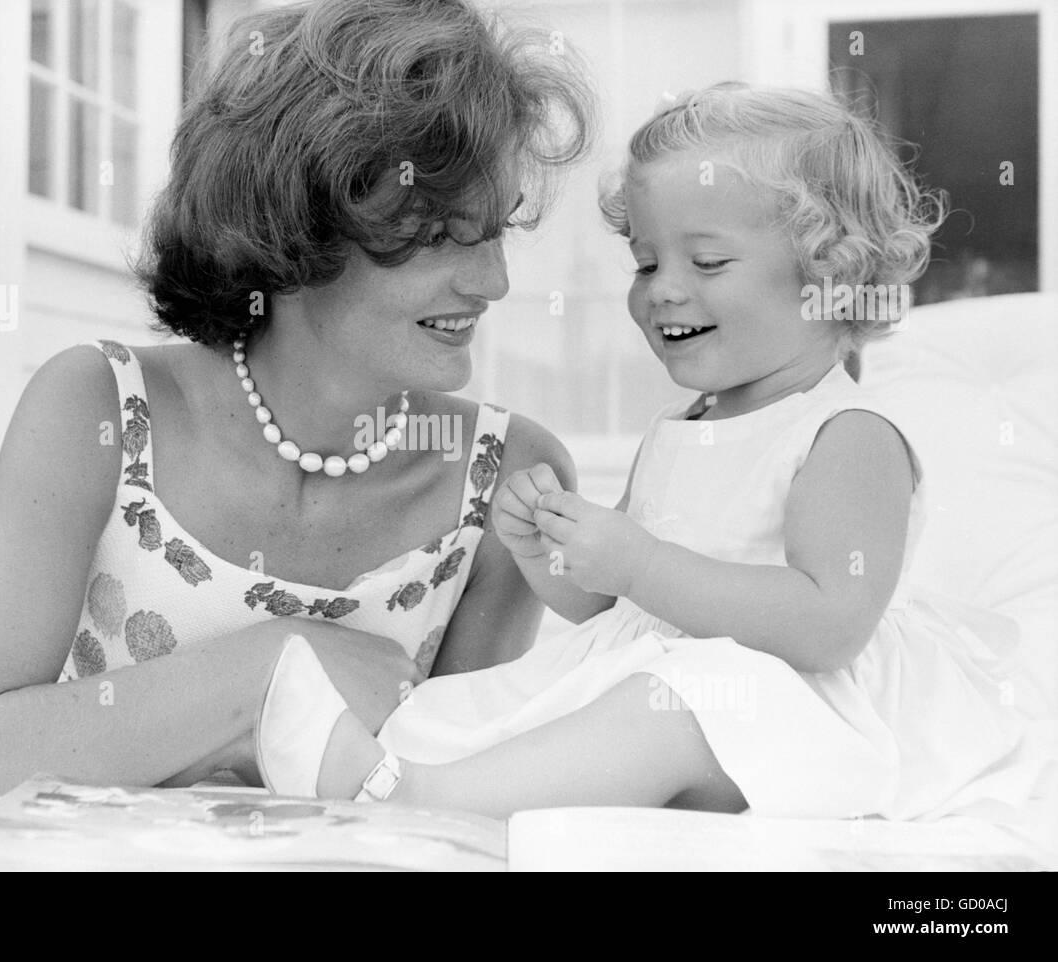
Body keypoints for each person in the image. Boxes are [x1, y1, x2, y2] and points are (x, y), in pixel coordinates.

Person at [256, 84, 1036, 821]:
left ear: (829, 274)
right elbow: (607, 605)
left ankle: (416, 797)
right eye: (645, 261)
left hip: (797, 711)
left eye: (707, 263)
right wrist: (552, 554)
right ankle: (388, 769)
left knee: (678, 705)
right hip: (674, 681)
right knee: (468, 707)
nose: (662, 289)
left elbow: (831, 624)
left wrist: (641, 564)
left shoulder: (846, 434)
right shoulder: (679, 427)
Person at [0, 0, 593, 799]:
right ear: (296, 222)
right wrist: (276, 663)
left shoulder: (510, 478)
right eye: (441, 234)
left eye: (495, 230)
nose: (494, 283)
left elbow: (448, 803)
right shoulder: (97, 409)